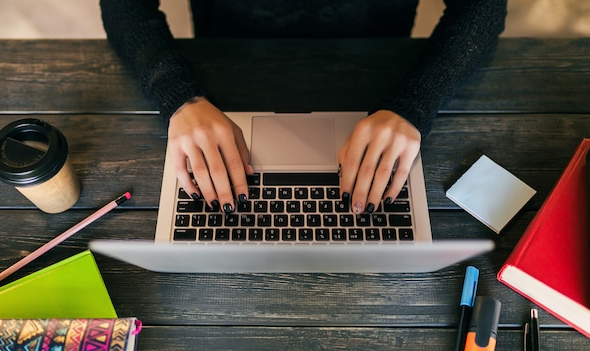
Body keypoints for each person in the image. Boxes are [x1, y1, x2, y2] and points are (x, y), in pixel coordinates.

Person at [100, 1, 506, 214]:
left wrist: (415, 103)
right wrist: (176, 94)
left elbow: (483, 7)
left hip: (383, 70)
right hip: (222, 71)